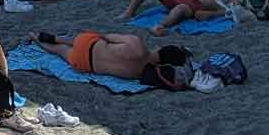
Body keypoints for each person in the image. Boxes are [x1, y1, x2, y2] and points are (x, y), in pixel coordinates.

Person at [35, 31, 191, 89]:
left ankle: (56, 37)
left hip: (88, 44)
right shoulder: (139, 74)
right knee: (59, 51)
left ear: (159, 48)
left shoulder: (135, 42)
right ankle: (37, 40)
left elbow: (106, 37)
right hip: (84, 63)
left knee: (89, 38)